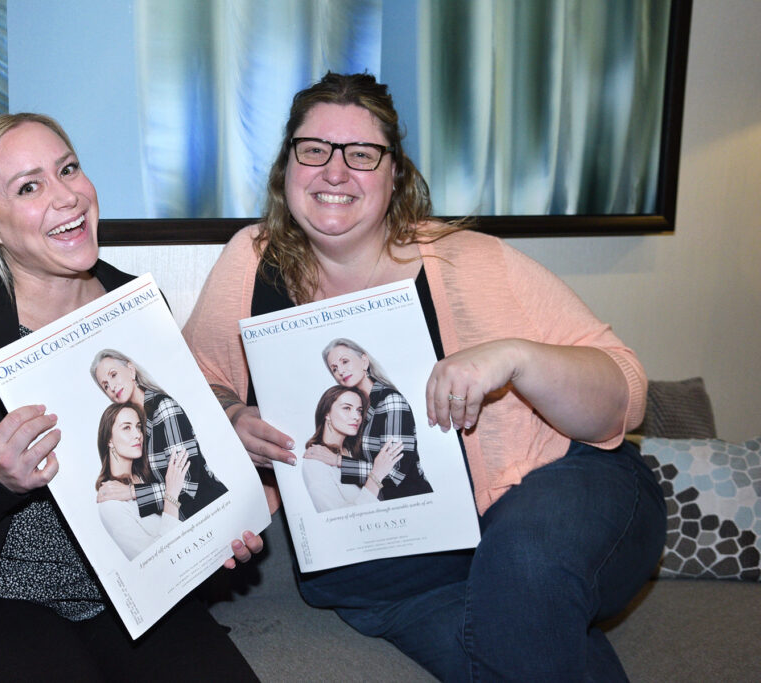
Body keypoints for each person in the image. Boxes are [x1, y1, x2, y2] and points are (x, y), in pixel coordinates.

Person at [182, 72, 666, 680]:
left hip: (552, 490)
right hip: (389, 579)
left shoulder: (469, 261)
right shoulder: (251, 261)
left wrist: (516, 357)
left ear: (395, 174)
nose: (335, 171)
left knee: (522, 565)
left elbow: (627, 391)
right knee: (525, 641)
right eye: (314, 149)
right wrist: (231, 414)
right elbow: (192, 380)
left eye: (362, 154)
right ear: (287, 168)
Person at [0, 112, 261, 683]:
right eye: (29, 187)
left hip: (129, 597)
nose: (66, 196)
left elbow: (168, 459)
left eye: (67, 169)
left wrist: (210, 534)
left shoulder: (138, 309)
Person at [91, 349, 228, 519]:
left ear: (131, 370)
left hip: (215, 511)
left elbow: (187, 484)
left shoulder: (164, 409)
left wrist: (131, 492)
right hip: (186, 523)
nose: (112, 387)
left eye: (113, 375)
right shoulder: (136, 426)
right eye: (105, 386)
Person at [305, 338, 433, 498]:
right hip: (379, 504)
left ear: (364, 361)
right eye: (335, 369)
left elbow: (395, 473)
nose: (341, 371)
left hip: (413, 499)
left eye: (345, 361)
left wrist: (338, 461)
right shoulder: (357, 411)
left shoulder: (390, 401)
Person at [95, 402, 188, 560]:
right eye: (126, 427)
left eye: (138, 427)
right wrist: (171, 495)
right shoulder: (110, 505)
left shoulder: (150, 473)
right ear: (109, 439)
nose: (138, 434)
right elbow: (154, 561)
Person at [301, 385, 404, 512]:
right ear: (327, 413)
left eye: (359, 410)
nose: (357, 417)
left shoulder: (357, 452)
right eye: (347, 408)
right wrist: (376, 476)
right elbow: (337, 518)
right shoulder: (315, 462)